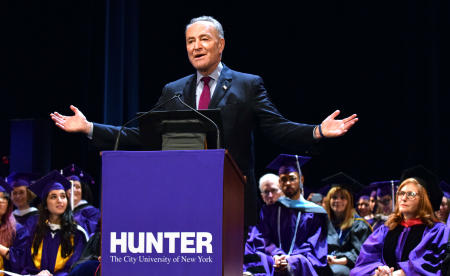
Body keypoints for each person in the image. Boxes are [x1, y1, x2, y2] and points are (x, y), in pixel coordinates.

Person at [49, 15, 358, 226]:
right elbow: (141, 135)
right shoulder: (173, 91)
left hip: (232, 198)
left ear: (220, 44)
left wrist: (317, 131)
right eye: (189, 41)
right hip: (184, 198)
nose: (196, 47)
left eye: (203, 40)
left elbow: (277, 128)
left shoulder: (247, 85)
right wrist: (89, 128)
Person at [350, 165, 446, 276]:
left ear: (424, 199)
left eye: (411, 194)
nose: (403, 198)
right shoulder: (386, 229)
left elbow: (433, 264)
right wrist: (378, 271)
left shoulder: (437, 231)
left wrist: (403, 272)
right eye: (401, 193)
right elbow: (366, 259)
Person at [247, 154, 328, 275]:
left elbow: (314, 245)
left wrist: (290, 260)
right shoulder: (269, 211)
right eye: (283, 179)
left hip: (300, 263)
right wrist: (277, 255)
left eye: (292, 178)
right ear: (279, 182)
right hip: (273, 261)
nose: (288, 183)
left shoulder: (314, 212)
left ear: (301, 179)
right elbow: (263, 238)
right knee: (259, 257)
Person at [22, 170, 88, 276]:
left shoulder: (77, 233)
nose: (59, 200)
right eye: (53, 197)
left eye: (63, 196)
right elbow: (25, 264)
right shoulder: (34, 231)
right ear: (45, 204)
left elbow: (78, 268)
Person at [320, 172, 372, 276]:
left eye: (343, 198)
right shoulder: (324, 221)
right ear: (329, 200)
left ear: (349, 201)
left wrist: (336, 261)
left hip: (347, 267)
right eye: (334, 197)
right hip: (325, 262)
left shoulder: (359, 225)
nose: (337, 201)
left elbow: (360, 255)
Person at [61, 164, 100, 237]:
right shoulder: (60, 211)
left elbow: (90, 235)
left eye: (78, 187)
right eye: (70, 186)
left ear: (83, 191)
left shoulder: (92, 212)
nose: (74, 190)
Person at [0, 178, 29, 274]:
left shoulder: (18, 230)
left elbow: (22, 261)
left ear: (8, 204)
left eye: (4, 198)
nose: (0, 201)